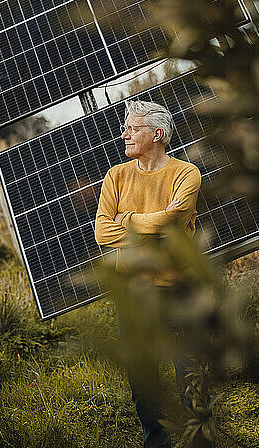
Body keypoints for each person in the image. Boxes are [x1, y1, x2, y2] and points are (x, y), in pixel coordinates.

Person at [95, 99, 202, 448]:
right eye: (126, 127)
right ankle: (157, 442)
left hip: (179, 290)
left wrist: (125, 220)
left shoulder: (186, 174)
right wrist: (152, 223)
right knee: (142, 379)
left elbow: (173, 221)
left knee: (190, 375)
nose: (124, 134)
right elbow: (100, 233)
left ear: (157, 133)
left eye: (133, 128)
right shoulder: (116, 176)